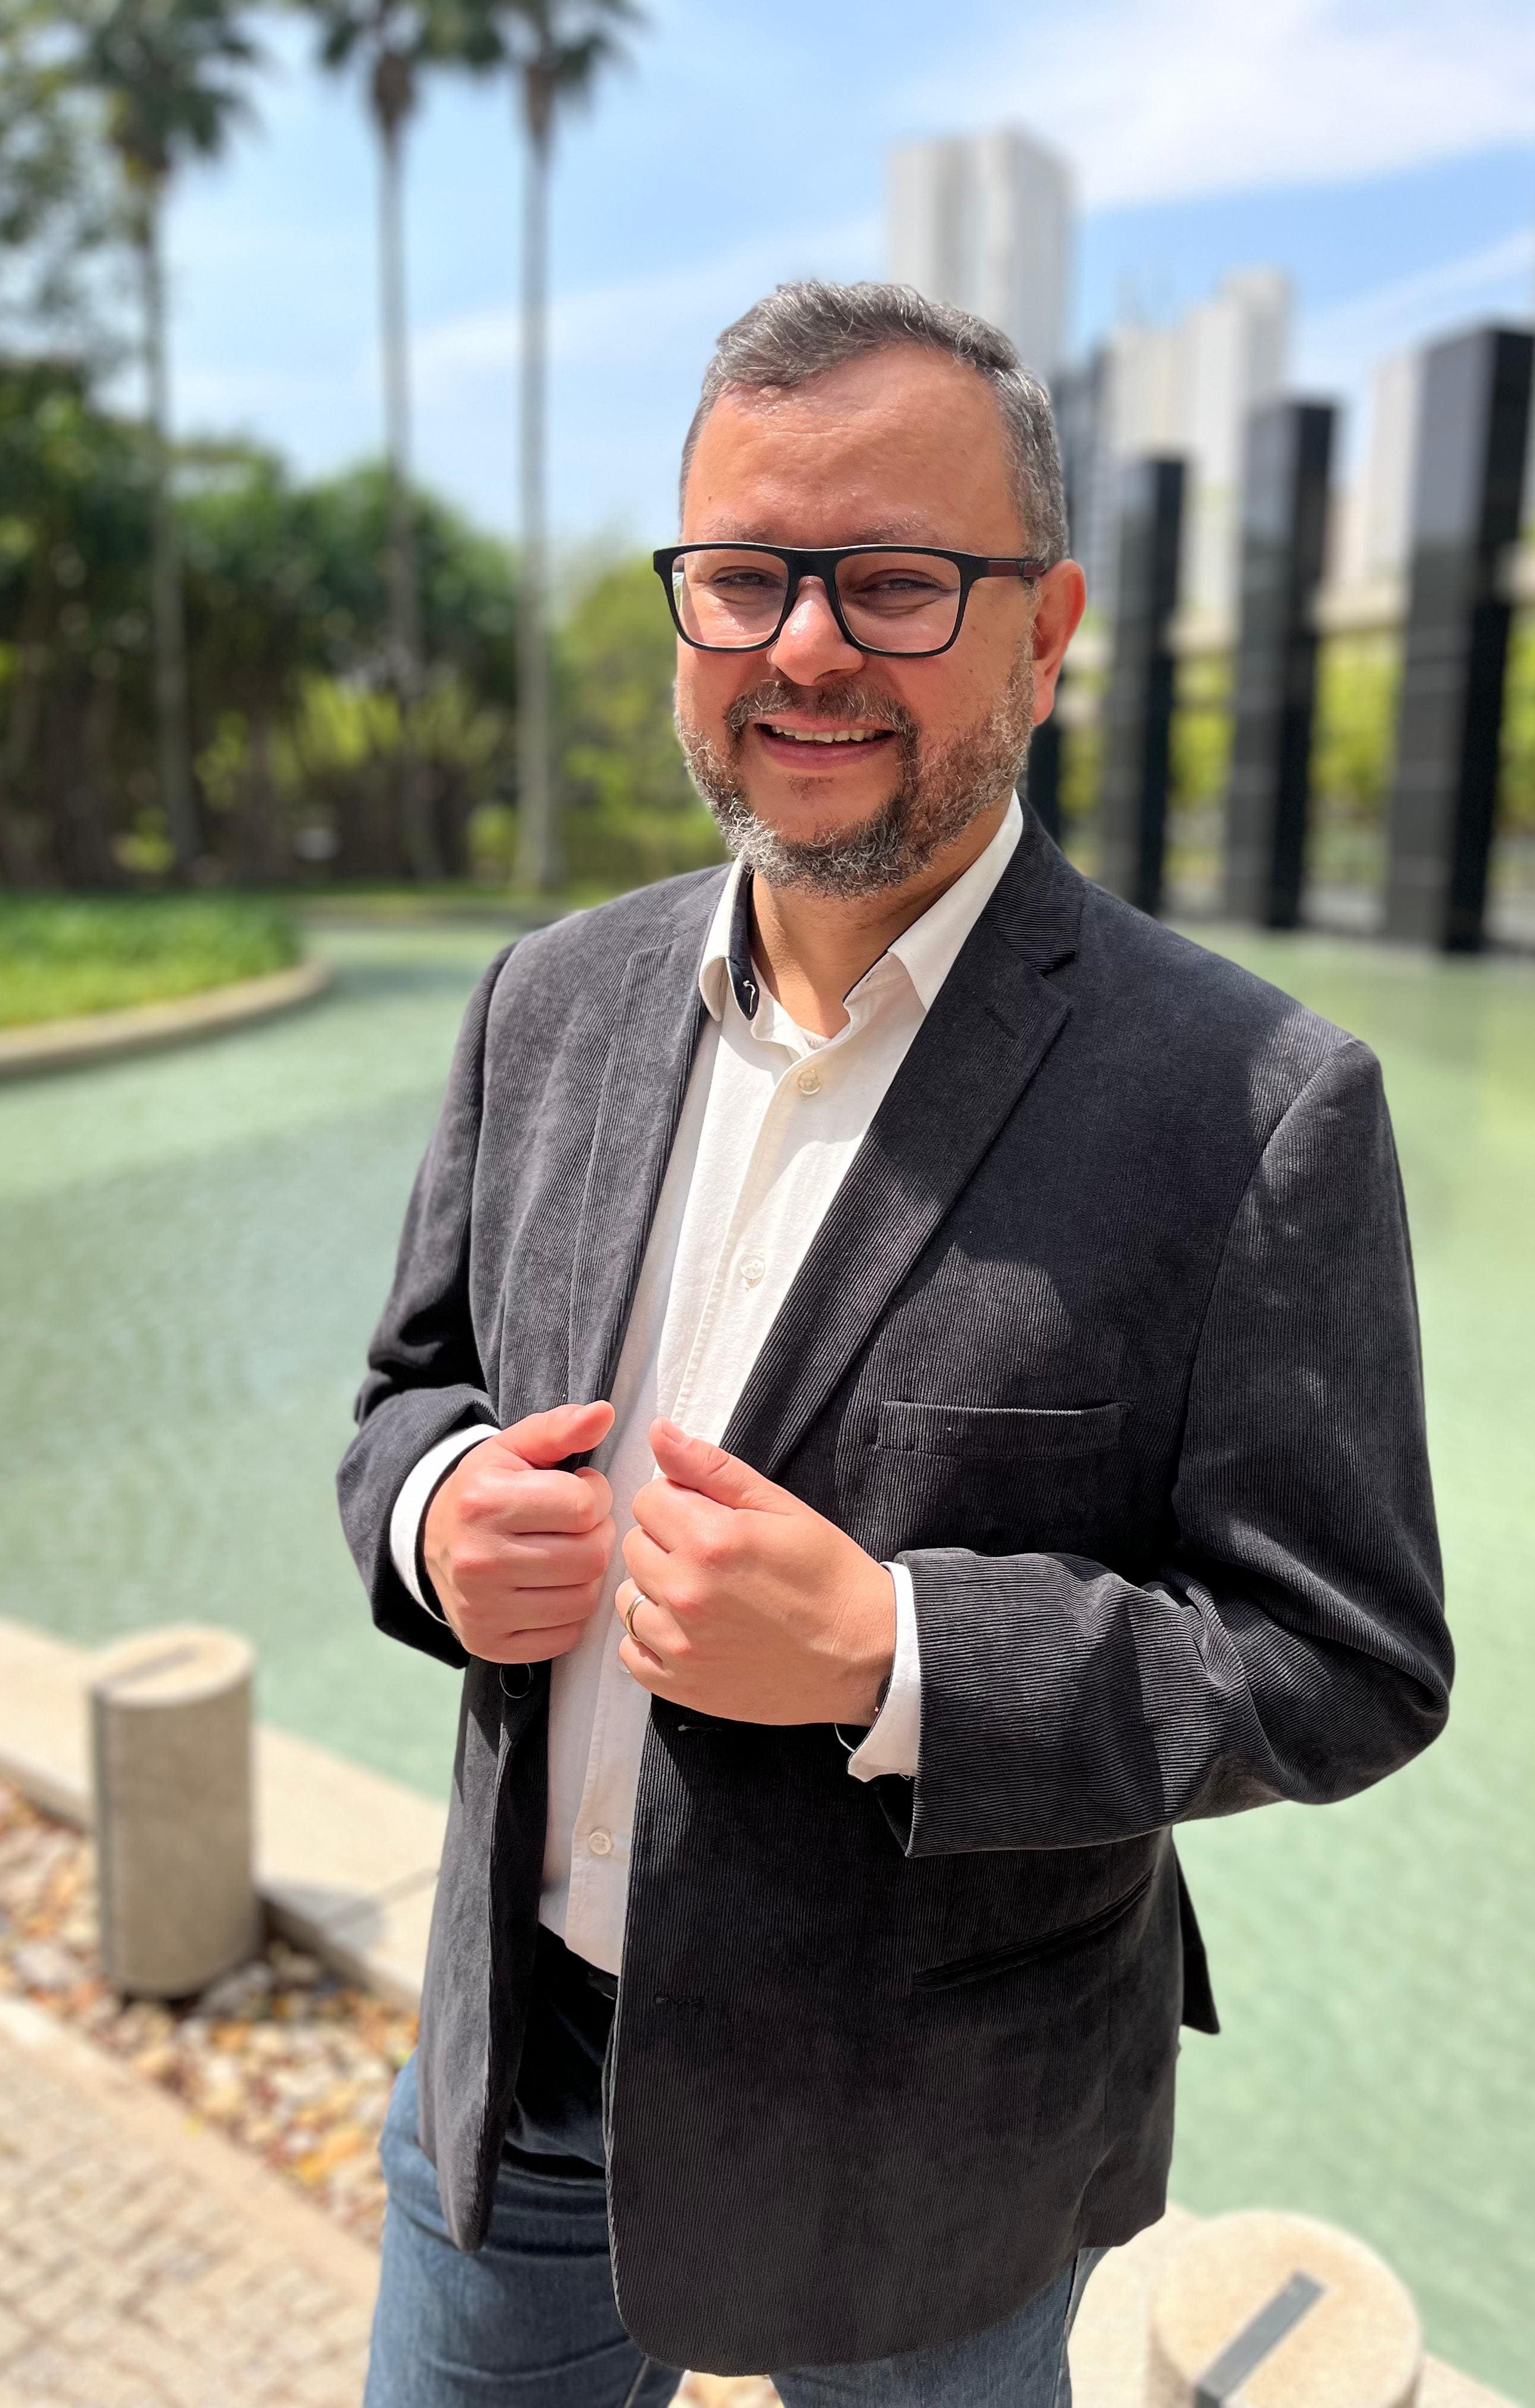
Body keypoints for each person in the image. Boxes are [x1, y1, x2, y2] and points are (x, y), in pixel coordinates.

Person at [339, 279, 1452, 2408]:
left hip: (939, 2153)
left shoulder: (1258, 1103)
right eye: (744, 577)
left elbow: (1347, 1659)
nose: (808, 644)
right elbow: (408, 1398)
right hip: (521, 2081)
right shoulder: (542, 1004)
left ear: (1049, 632)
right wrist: (435, 1515)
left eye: (900, 581)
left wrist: (893, 1656)